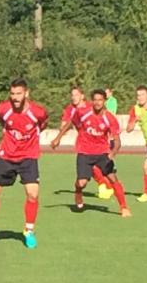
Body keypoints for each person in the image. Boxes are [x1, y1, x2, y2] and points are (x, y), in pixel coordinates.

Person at [0, 78, 48, 249]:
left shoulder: (37, 112)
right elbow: (3, 121)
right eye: (12, 94)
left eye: (19, 94)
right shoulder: (3, 109)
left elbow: (42, 124)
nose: (15, 97)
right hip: (6, 155)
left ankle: (28, 231)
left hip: (28, 156)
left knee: (33, 194)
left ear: (26, 94)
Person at [52, 89, 131, 217]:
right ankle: (78, 192)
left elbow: (117, 141)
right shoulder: (83, 112)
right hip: (84, 152)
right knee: (81, 183)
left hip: (102, 153)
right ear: (91, 101)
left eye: (100, 100)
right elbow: (71, 122)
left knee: (112, 178)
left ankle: (124, 207)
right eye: (95, 100)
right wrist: (58, 138)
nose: (97, 103)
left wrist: (113, 153)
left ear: (104, 101)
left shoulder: (110, 118)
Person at [53, 86, 114, 199]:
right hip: (84, 142)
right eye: (72, 95)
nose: (73, 97)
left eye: (76, 95)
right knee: (89, 167)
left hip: (100, 141)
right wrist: (59, 135)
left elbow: (105, 117)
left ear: (82, 96)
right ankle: (102, 185)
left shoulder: (91, 106)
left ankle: (105, 185)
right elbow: (67, 122)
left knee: (97, 167)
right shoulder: (69, 109)